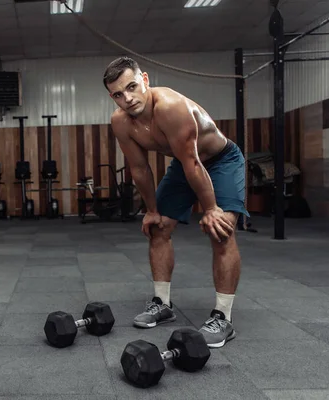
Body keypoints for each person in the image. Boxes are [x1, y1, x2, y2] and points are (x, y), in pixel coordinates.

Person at [103, 56, 249, 348]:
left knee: (221, 230)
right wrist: (152, 210)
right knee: (158, 228)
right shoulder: (121, 122)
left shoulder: (169, 106)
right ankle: (162, 303)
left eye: (132, 87)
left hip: (221, 161)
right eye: (118, 94)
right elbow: (140, 169)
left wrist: (210, 209)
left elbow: (194, 161)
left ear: (145, 79)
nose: (127, 98)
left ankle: (223, 317)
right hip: (185, 167)